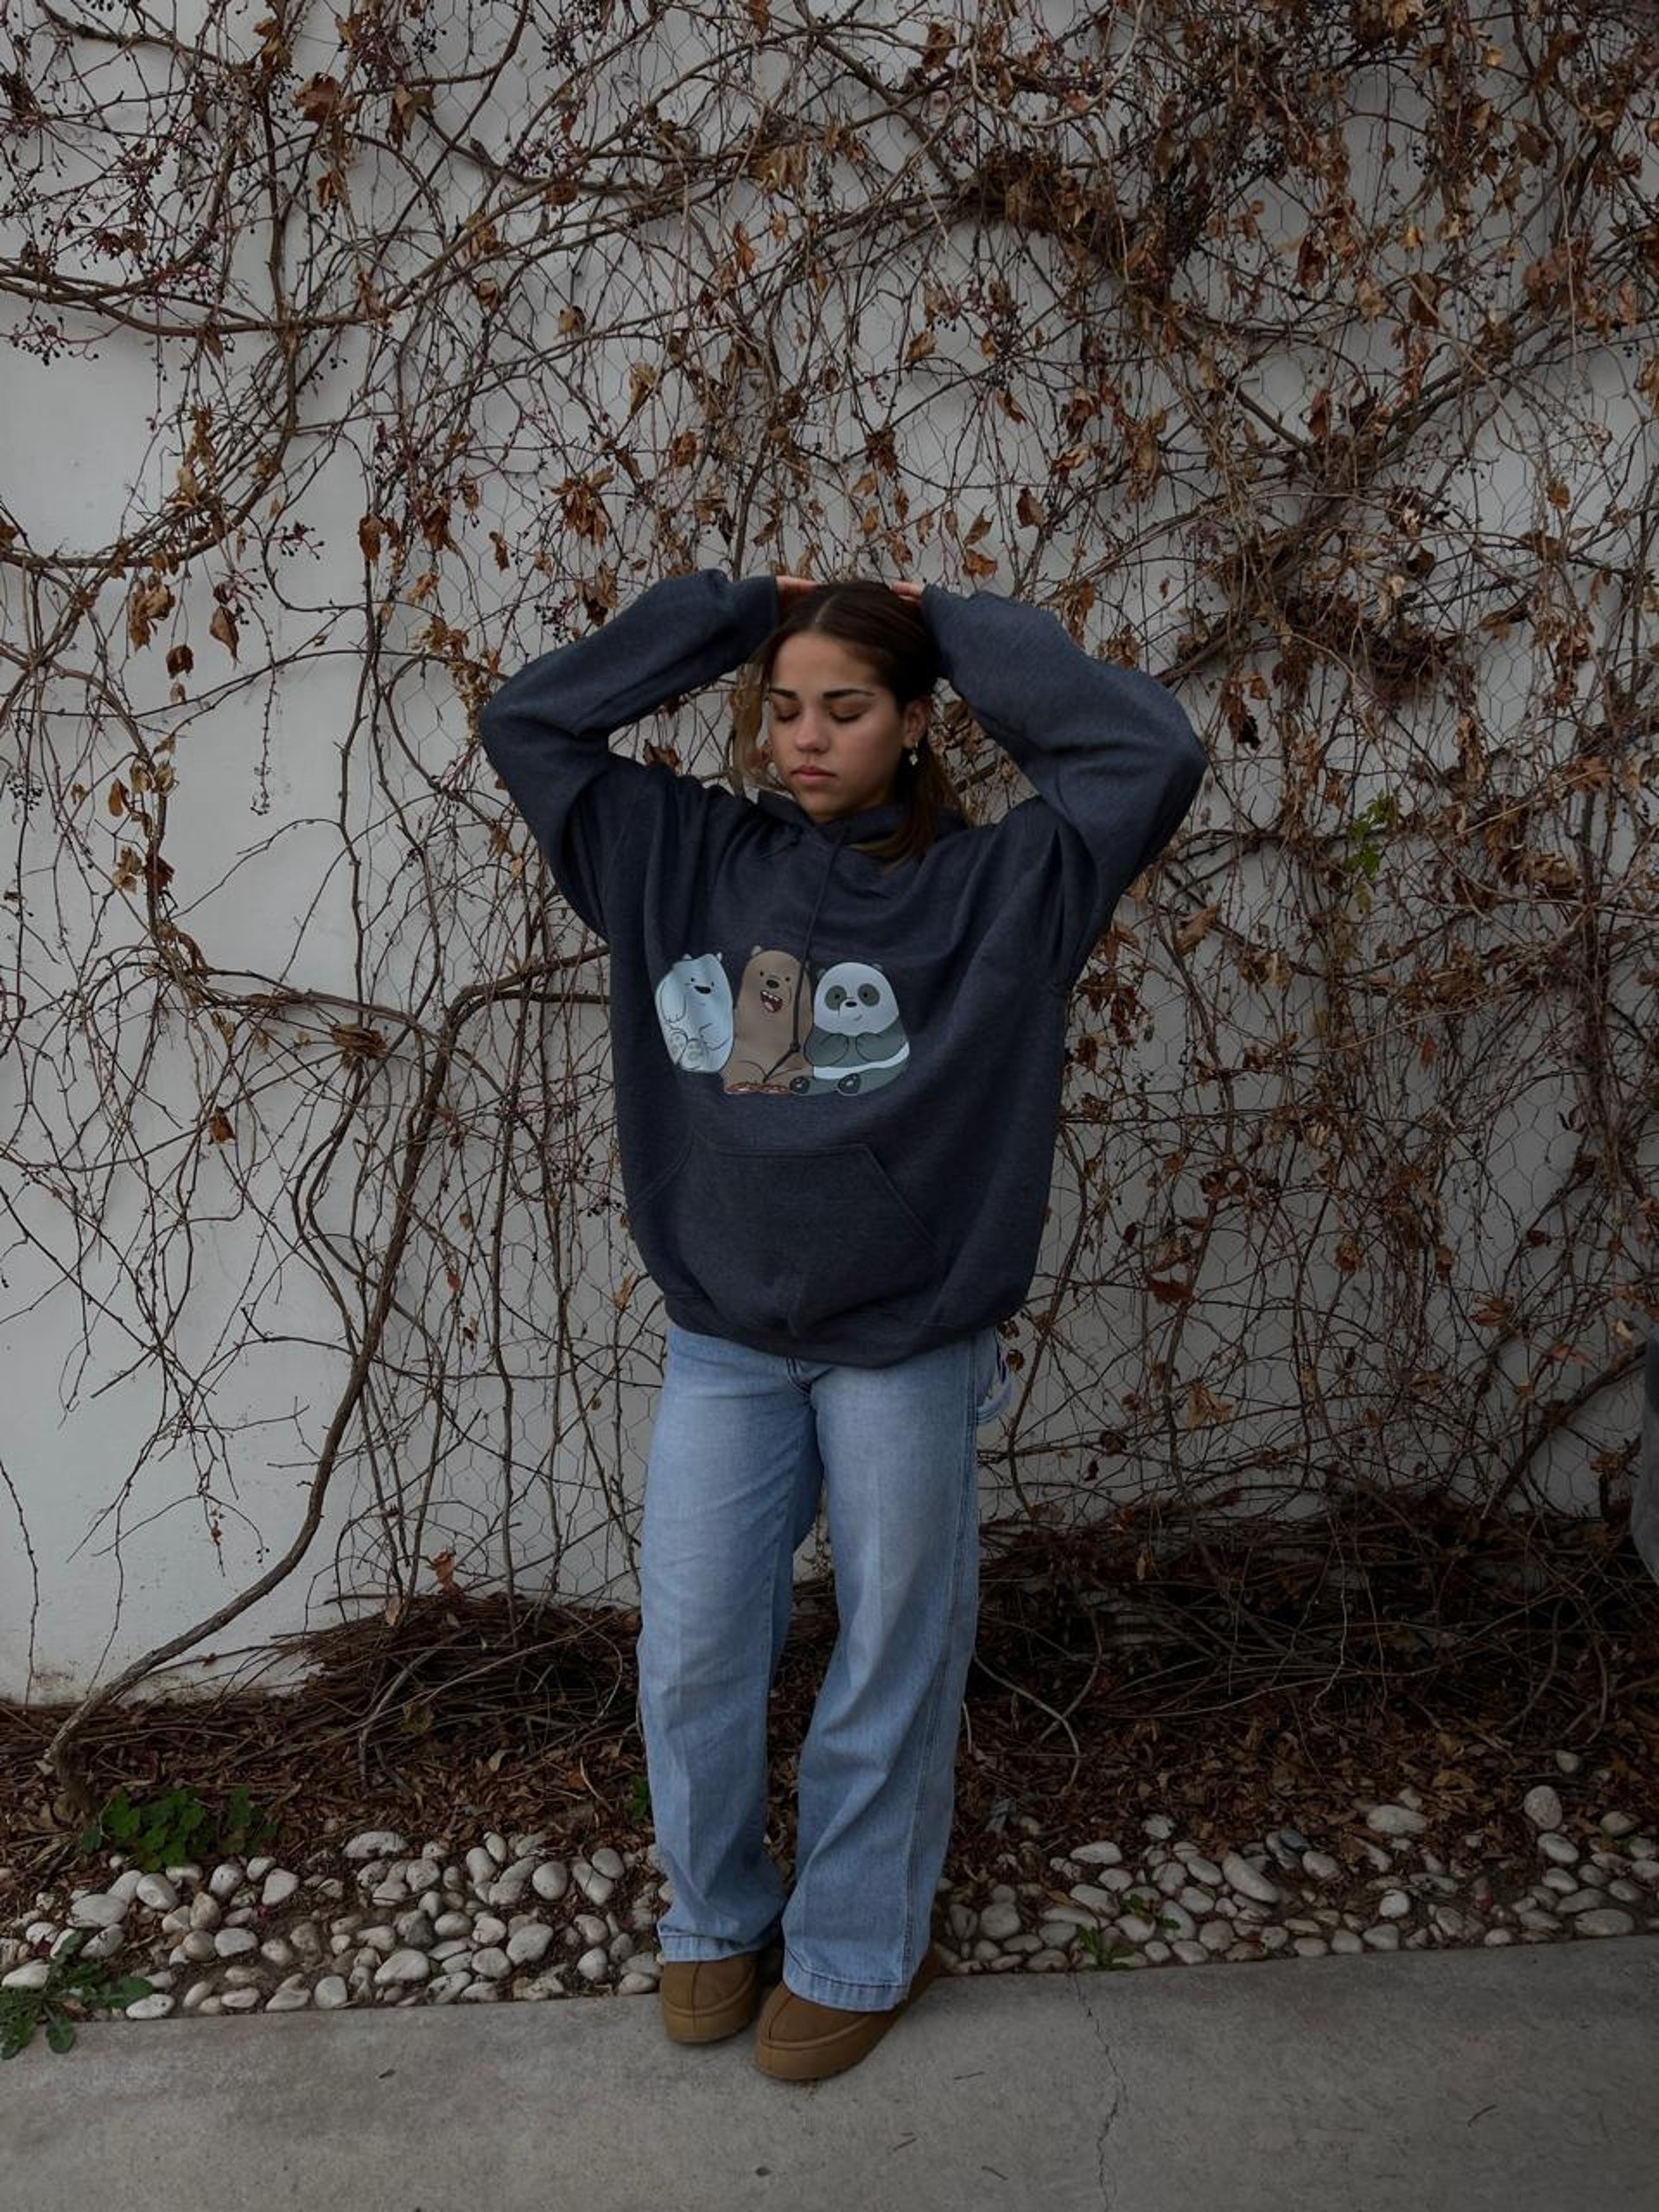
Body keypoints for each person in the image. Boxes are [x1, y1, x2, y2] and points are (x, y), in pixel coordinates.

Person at [476, 567, 1208, 2081]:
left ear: (916, 722)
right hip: (727, 1342)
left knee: (891, 1650)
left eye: (848, 708)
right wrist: (737, 612)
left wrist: (950, 614)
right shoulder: (670, 852)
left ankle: (860, 1941)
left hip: (907, 1343)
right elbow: (530, 721)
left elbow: (1149, 754)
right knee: (689, 1648)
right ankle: (714, 1919)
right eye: (784, 707)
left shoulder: (1009, 889)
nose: (806, 737)